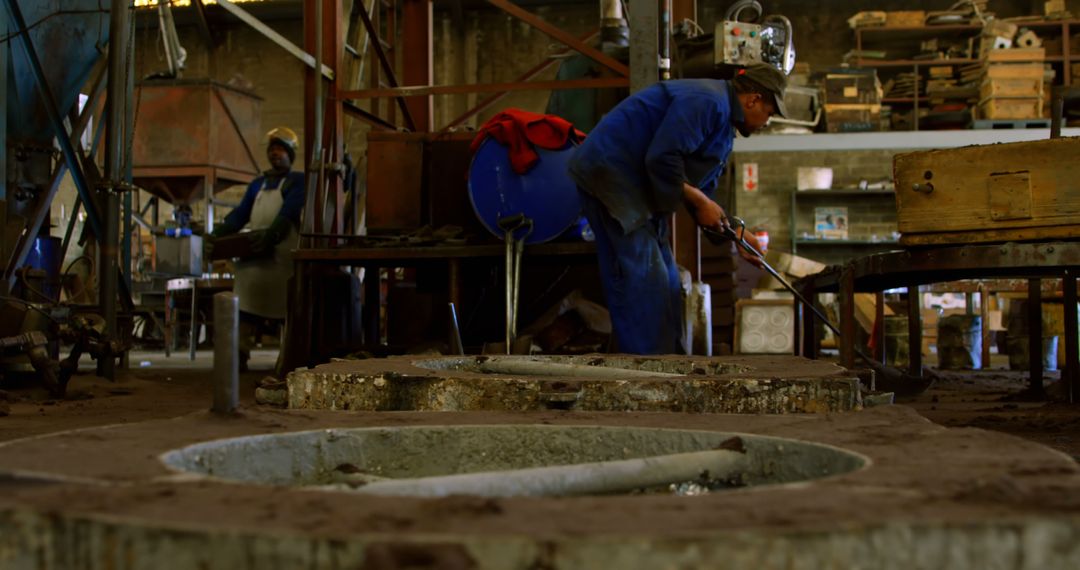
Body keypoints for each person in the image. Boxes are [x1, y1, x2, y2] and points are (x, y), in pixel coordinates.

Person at [568, 63, 786, 354]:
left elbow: (701, 190)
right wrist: (699, 201)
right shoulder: (707, 102)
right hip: (613, 177)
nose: (766, 122)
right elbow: (662, 159)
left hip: (639, 191)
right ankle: (642, 372)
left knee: (668, 284)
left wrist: (737, 235)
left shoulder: (722, 126)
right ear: (753, 99)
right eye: (769, 114)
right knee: (643, 281)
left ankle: (664, 363)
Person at [209, 127, 305, 369]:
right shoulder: (257, 184)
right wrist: (217, 234)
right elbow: (241, 214)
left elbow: (289, 212)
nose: (275, 154)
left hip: (281, 256)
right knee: (243, 303)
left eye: (281, 149)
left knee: (287, 308)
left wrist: (272, 236)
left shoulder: (297, 181)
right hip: (254, 255)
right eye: (272, 149)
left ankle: (286, 360)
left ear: (291, 154)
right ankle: (239, 354)